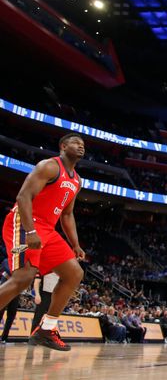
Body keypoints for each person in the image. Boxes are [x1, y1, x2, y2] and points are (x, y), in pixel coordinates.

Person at [0, 133, 86, 351]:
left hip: (47, 229)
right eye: (76, 143)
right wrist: (30, 231)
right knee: (23, 278)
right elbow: (23, 197)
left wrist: (75, 244)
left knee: (74, 273)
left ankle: (47, 329)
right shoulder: (49, 166)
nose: (81, 146)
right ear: (63, 146)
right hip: (23, 222)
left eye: (83, 144)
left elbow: (67, 214)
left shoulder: (76, 180)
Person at [0, 259, 22, 343]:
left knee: (12, 313)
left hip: (16, 289)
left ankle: (4, 337)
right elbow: (9, 271)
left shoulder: (22, 264)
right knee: (1, 311)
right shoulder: (6, 260)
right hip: (5, 286)